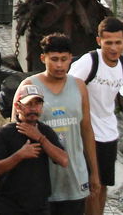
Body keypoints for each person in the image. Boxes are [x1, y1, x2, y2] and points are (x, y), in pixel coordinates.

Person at [23, 33, 100, 215]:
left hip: (74, 177)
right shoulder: (29, 86)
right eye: (54, 59)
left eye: (64, 59)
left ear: (70, 60)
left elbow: (86, 129)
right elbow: (15, 130)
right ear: (43, 58)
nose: (59, 65)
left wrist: (94, 173)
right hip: (42, 180)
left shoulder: (79, 86)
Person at [66, 17, 123, 203]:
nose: (113, 48)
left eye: (118, 42)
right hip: (84, 134)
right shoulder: (89, 62)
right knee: (88, 186)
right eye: (108, 43)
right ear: (99, 41)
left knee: (102, 186)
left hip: (108, 134)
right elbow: (66, 87)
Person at [0, 84, 66, 215]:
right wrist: (19, 155)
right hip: (10, 207)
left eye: (37, 104)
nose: (33, 109)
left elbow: (63, 160)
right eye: (29, 104)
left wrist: (41, 139)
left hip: (40, 206)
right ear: (18, 107)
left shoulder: (45, 131)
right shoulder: (5, 133)